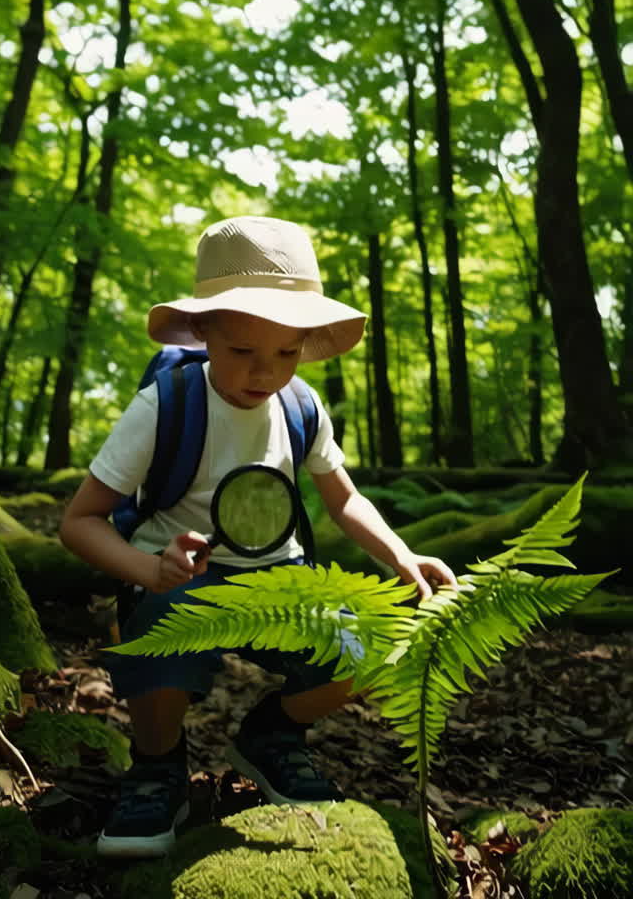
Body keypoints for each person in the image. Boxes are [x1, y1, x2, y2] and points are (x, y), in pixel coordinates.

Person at [60, 215, 457, 858]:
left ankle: (273, 737)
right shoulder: (167, 405)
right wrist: (146, 570)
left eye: (286, 353)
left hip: (284, 580)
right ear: (205, 331)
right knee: (160, 630)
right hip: (183, 582)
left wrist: (401, 555)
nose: (264, 372)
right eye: (244, 351)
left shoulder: (301, 407)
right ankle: (158, 768)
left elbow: (344, 497)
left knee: (373, 639)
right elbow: (78, 521)